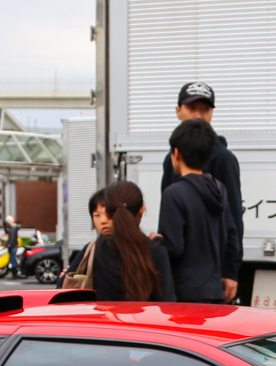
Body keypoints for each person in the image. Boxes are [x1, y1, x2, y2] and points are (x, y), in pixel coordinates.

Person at [159, 83, 242, 295]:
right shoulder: (171, 160)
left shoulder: (223, 158)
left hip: (203, 276)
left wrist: (230, 271)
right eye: (191, 108)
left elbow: (233, 218)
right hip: (184, 278)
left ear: (213, 113)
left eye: (205, 109)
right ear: (178, 111)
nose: (198, 115)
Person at [81, 181, 175, 301]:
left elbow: (65, 286)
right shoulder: (156, 251)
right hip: (143, 319)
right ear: (141, 211)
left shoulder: (95, 249)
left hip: (103, 319)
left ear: (108, 214)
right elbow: (167, 301)